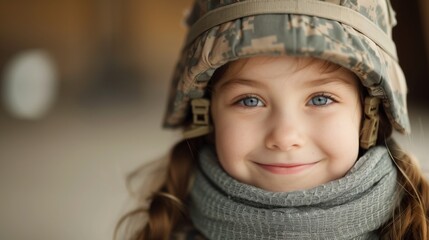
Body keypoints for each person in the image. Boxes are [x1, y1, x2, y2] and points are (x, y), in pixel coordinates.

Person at [116, 0, 429, 239]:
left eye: (320, 99)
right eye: (250, 101)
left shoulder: (417, 225)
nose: (284, 135)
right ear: (207, 114)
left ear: (368, 115)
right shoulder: (167, 226)